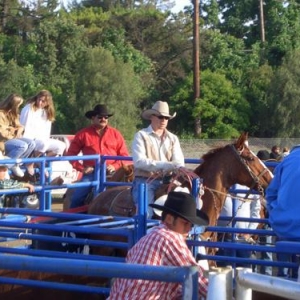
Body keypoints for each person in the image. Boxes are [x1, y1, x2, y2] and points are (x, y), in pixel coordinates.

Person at [107, 191, 209, 300]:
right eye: (185, 223)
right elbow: (197, 278)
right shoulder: (170, 238)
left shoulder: (151, 234)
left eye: (191, 224)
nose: (189, 229)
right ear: (169, 219)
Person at [66, 104, 129, 208]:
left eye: (106, 117)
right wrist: (82, 168)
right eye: (100, 117)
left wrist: (114, 166)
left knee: (130, 193)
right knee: (77, 197)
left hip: (114, 173)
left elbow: (125, 156)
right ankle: (73, 220)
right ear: (93, 118)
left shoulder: (116, 134)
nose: (103, 119)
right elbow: (71, 155)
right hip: (92, 173)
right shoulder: (83, 134)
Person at [131, 101, 185, 218]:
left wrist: (173, 166)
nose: (164, 120)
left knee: (186, 207)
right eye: (160, 117)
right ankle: (143, 233)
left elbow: (179, 162)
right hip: (145, 181)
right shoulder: (141, 135)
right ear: (152, 117)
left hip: (168, 181)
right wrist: (166, 165)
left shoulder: (173, 138)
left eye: (166, 118)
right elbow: (139, 162)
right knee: (146, 214)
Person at [266, 144, 300, 278]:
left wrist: (278, 213)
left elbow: (270, 195)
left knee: (283, 272)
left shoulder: (286, 161)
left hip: (284, 227)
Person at [217, 184, 261, 268]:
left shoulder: (250, 185)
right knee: (225, 274)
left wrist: (249, 231)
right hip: (224, 238)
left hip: (243, 239)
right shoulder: (221, 183)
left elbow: (256, 209)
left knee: (244, 274)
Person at [20, 90, 66, 157]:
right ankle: (32, 162)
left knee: (61, 146)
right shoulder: (29, 108)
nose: (39, 102)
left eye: (43, 101)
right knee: (43, 144)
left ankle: (41, 161)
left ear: (47, 103)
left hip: (42, 139)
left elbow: (47, 130)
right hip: (30, 139)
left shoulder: (47, 112)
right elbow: (23, 125)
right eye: (39, 99)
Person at [0, 94, 36, 178]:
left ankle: (15, 164)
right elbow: (2, 133)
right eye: (18, 105)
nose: (19, 107)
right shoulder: (1, 114)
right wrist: (13, 131)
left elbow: (19, 125)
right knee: (22, 146)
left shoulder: (13, 113)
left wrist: (19, 128)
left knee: (32, 143)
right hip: (3, 140)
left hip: (13, 136)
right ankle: (6, 167)